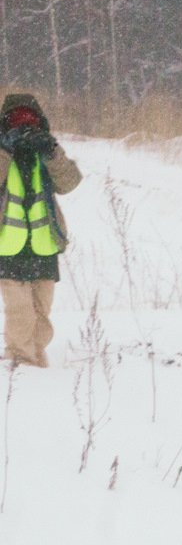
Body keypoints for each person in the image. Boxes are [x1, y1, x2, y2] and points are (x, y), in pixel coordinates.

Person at [0, 93, 82, 368]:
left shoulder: (46, 150)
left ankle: (35, 361)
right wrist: (6, 150)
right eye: (16, 121)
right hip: (8, 246)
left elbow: (69, 183)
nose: (24, 127)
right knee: (20, 310)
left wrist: (51, 153)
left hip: (44, 245)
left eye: (29, 121)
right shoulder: (2, 149)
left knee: (41, 312)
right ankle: (20, 363)